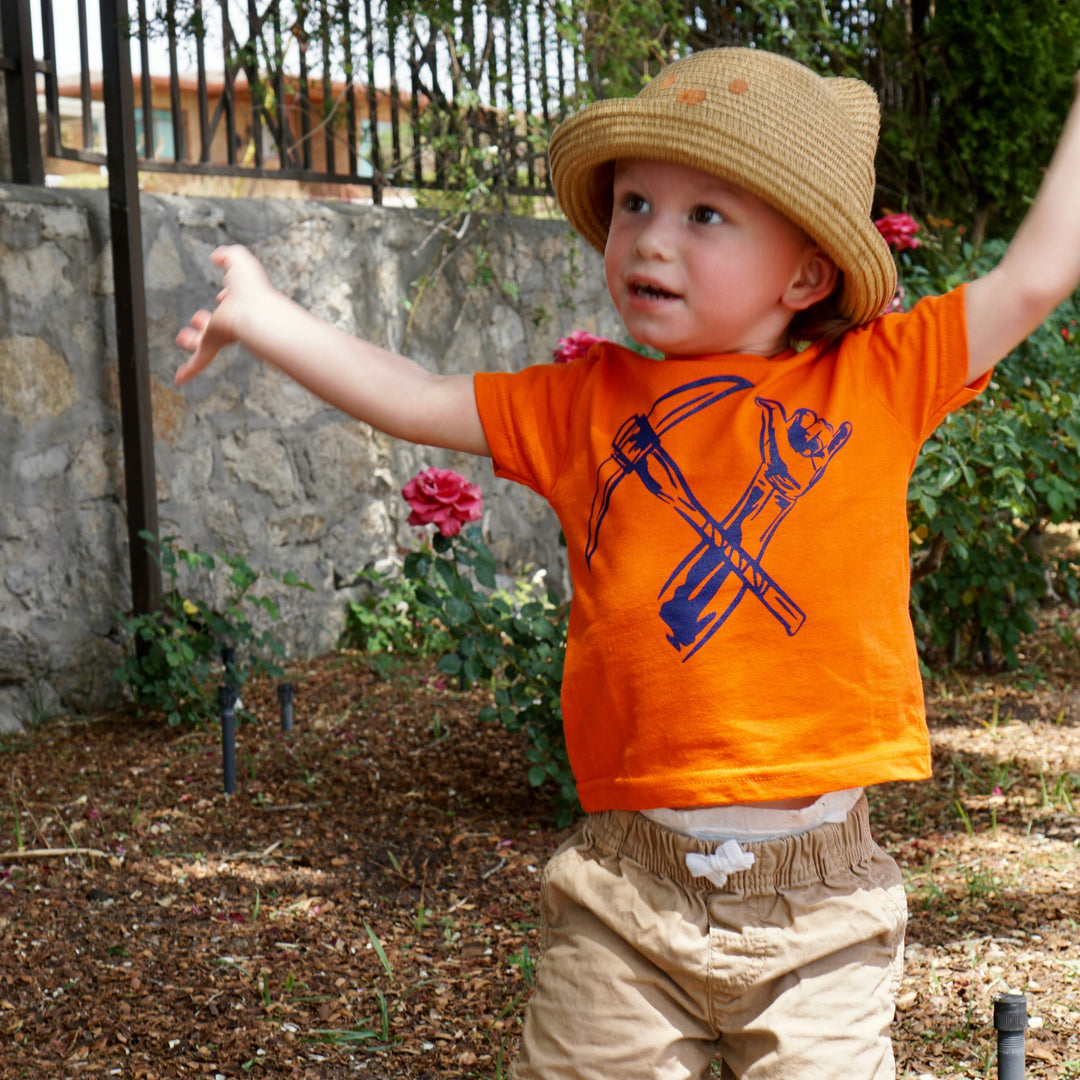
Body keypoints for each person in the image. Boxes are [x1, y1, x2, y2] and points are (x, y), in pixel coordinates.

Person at [176, 47, 1080, 1080]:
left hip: (820, 909)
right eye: (636, 203)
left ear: (806, 273)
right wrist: (264, 316)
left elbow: (1036, 275)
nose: (650, 236)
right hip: (625, 897)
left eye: (706, 215)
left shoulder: (879, 381)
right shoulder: (585, 407)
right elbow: (414, 395)